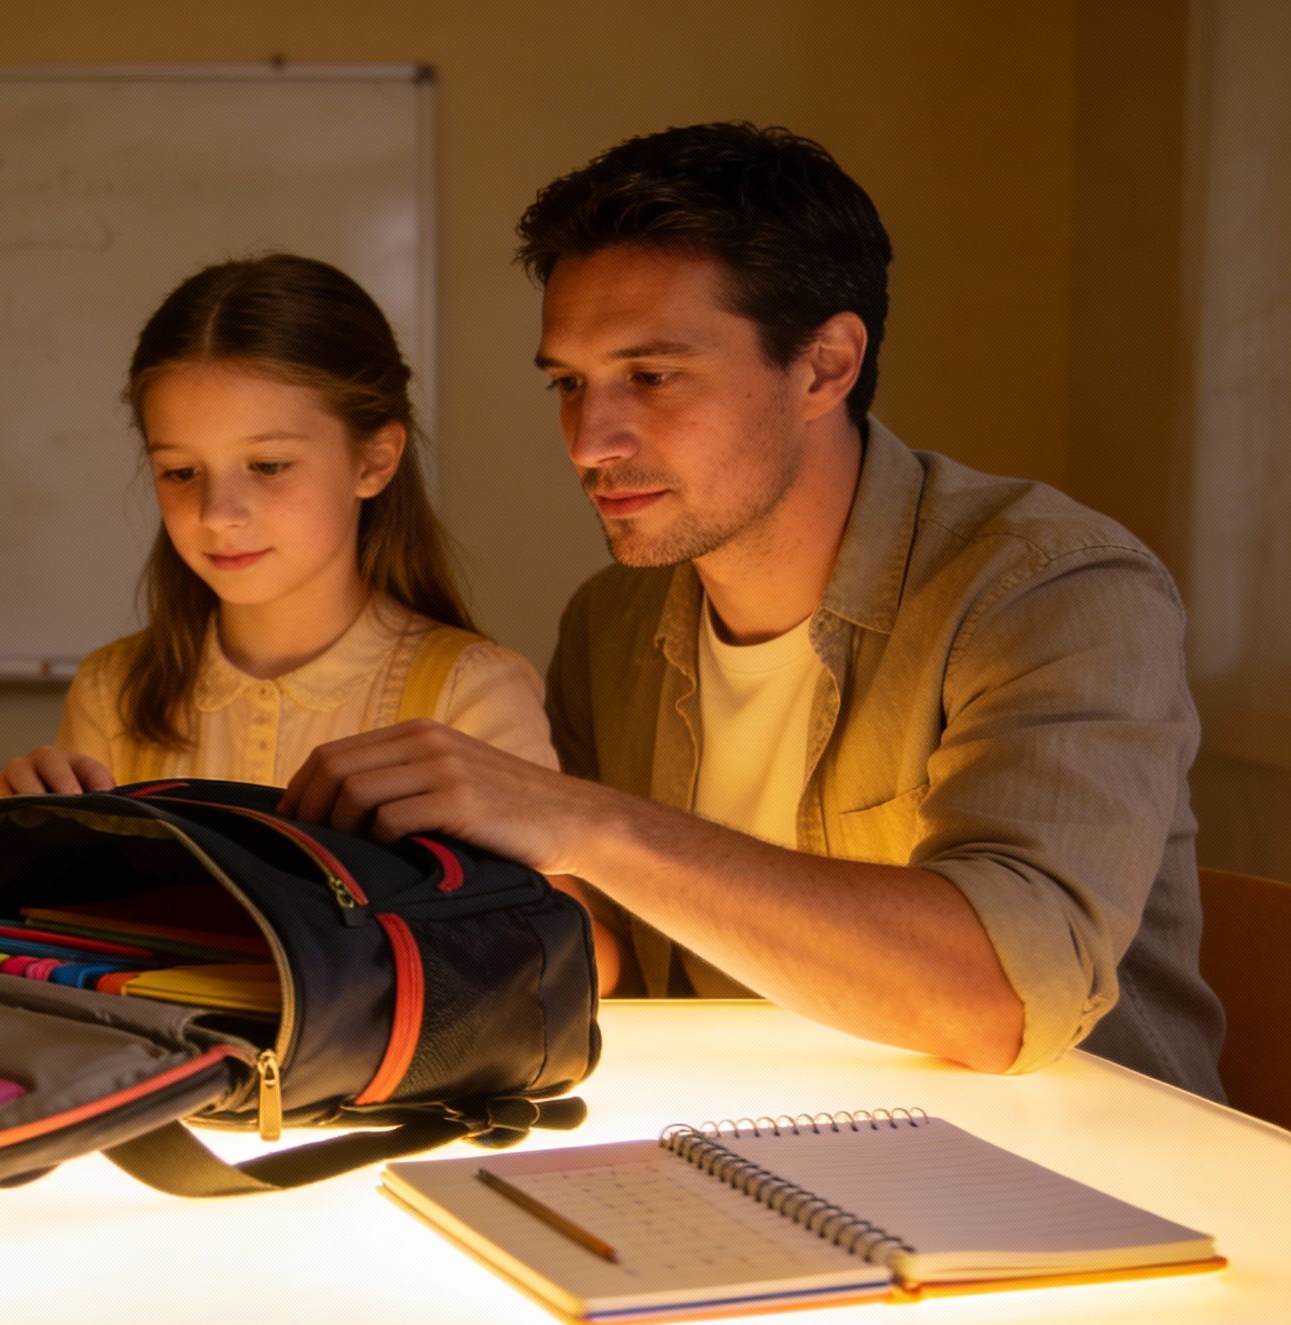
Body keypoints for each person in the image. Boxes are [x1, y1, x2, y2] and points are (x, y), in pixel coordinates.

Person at [282, 123, 1225, 1096]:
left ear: (824, 367)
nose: (589, 441)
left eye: (650, 376)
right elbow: (588, 955)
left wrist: (581, 823)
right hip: (750, 1144)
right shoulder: (611, 624)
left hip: (1079, 1182)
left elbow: (998, 999)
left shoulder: (1054, 588)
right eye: (569, 383)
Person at [0, 254, 617, 990]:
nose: (218, 513)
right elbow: (58, 944)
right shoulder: (114, 688)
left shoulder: (467, 689)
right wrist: (11, 850)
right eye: (181, 472)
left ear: (375, 460)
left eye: (269, 466)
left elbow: (582, 961)